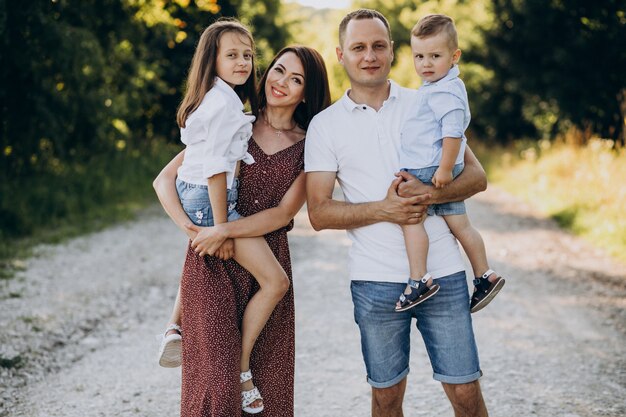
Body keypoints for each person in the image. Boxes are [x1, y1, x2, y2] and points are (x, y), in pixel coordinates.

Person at [304, 9, 489, 417]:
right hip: (374, 282)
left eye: (378, 46)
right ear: (341, 54)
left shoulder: (428, 97)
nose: (369, 55)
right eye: (358, 47)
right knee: (386, 398)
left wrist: (427, 193)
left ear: (392, 51)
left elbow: (476, 177)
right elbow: (318, 212)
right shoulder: (325, 125)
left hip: (444, 274)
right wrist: (386, 209)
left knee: (465, 394)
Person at [154, 44, 331, 416]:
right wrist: (195, 231)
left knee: (270, 386)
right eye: (278, 70)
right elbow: (165, 179)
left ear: (306, 93)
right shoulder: (235, 123)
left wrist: (224, 229)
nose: (281, 82)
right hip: (213, 262)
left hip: (265, 261)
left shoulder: (310, 145)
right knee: (215, 387)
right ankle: (210, 351)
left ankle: (243, 365)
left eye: (296, 79)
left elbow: (283, 213)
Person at [395, 14, 505, 313]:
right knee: (461, 224)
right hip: (435, 166)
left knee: (410, 218)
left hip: (429, 168)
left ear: (454, 56)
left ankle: (418, 278)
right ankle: (485, 274)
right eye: (419, 56)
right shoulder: (439, 86)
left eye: (435, 56)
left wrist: (444, 169)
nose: (426, 63)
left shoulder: (445, 90)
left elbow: (453, 132)